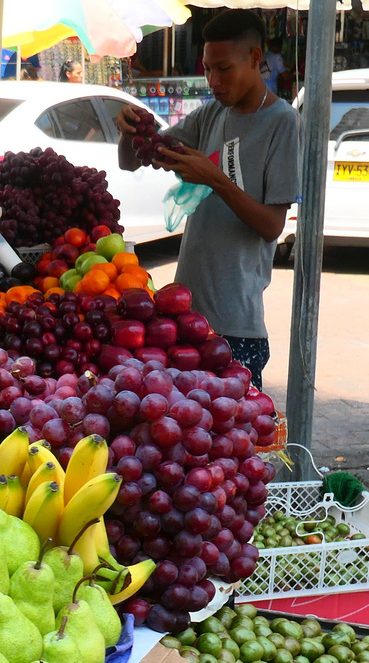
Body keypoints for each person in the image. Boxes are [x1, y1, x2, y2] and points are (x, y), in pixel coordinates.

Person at [115, 9, 299, 387]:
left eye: (224, 69)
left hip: (237, 325)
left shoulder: (283, 123)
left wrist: (217, 180)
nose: (213, 80)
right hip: (185, 315)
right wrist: (130, 130)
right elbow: (131, 162)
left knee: (235, 437)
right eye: (207, 68)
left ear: (254, 58)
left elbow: (272, 226)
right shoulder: (211, 113)